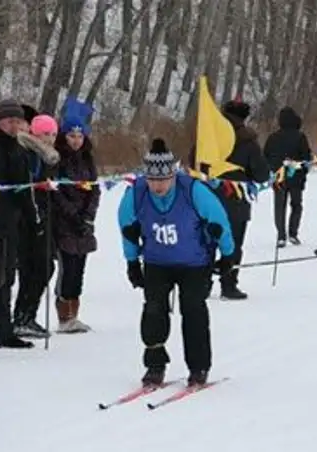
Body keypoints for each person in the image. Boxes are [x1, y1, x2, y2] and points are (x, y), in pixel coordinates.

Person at [118, 139, 235, 387]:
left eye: (163, 180)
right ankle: (155, 365)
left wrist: (228, 256)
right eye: (152, 180)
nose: (158, 186)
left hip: (195, 263)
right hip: (156, 262)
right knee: (153, 311)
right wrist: (132, 262)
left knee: (193, 310)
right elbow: (127, 229)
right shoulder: (136, 194)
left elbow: (219, 222)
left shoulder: (193, 190)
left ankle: (198, 367)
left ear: (174, 175)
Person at [188, 96, 269, 300]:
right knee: (233, 243)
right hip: (235, 199)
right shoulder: (249, 142)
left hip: (205, 196)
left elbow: (193, 161)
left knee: (205, 241)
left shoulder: (208, 136)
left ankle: (202, 283)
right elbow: (262, 174)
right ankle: (229, 284)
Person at [0, 99, 34, 348]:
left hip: (14, 218)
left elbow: (23, 186)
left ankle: (4, 327)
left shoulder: (18, 147)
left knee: (8, 274)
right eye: (10, 121)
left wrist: (30, 215)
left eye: (18, 121)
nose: (15, 126)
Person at [48, 116, 100, 333]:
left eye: (80, 136)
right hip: (65, 222)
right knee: (67, 268)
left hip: (84, 222)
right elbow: (56, 192)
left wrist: (88, 216)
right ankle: (64, 314)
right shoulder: (58, 159)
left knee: (79, 268)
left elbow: (95, 188)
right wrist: (73, 215)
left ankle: (74, 312)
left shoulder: (87, 159)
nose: (76, 140)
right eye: (72, 136)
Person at [12, 113, 61, 337]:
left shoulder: (48, 155)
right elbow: (27, 186)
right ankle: (23, 316)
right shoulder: (29, 152)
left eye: (53, 134)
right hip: (29, 218)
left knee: (43, 266)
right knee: (37, 267)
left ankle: (27, 315)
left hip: (44, 213)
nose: (50, 138)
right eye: (45, 134)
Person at [263, 106, 312, 247]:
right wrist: (303, 171)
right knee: (296, 205)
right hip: (296, 177)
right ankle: (293, 233)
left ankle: (281, 236)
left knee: (280, 206)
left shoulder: (273, 137)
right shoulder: (300, 137)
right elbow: (306, 158)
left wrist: (271, 170)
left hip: (278, 177)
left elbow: (265, 156)